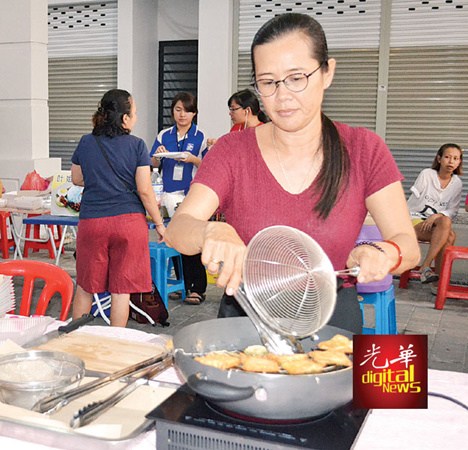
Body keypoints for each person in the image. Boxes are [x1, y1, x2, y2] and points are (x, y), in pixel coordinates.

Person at [165, 13, 420, 334]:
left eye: (297, 77)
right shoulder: (233, 151)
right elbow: (179, 228)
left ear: (327, 72)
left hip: (332, 316)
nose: (282, 95)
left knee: (376, 384)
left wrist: (384, 252)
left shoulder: (364, 150)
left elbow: (408, 244)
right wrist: (210, 232)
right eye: (268, 82)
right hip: (246, 315)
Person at [71, 89, 165, 327]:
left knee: (85, 286)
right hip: (128, 223)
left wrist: (99, 177)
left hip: (92, 221)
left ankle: (74, 339)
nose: (135, 117)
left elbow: (76, 178)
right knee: (121, 289)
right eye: (134, 113)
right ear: (124, 118)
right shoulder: (136, 145)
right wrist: (161, 224)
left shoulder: (86, 142)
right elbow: (145, 190)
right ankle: (116, 342)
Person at [150, 92, 208, 305]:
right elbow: (154, 164)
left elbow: (207, 166)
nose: (182, 114)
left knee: (191, 241)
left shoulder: (199, 136)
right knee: (172, 240)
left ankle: (198, 288)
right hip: (167, 195)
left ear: (194, 113)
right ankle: (181, 284)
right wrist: (158, 155)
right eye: (178, 109)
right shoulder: (164, 135)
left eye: (187, 110)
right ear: (173, 111)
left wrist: (193, 159)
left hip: (190, 195)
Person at [407, 143, 463, 284]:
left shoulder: (457, 183)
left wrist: (436, 215)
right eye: (447, 157)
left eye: (456, 158)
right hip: (414, 221)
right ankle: (436, 278)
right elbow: (415, 196)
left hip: (437, 226)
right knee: (449, 235)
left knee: (447, 229)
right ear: (439, 159)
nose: (451, 161)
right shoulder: (427, 174)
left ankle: (428, 271)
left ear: (459, 162)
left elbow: (453, 210)